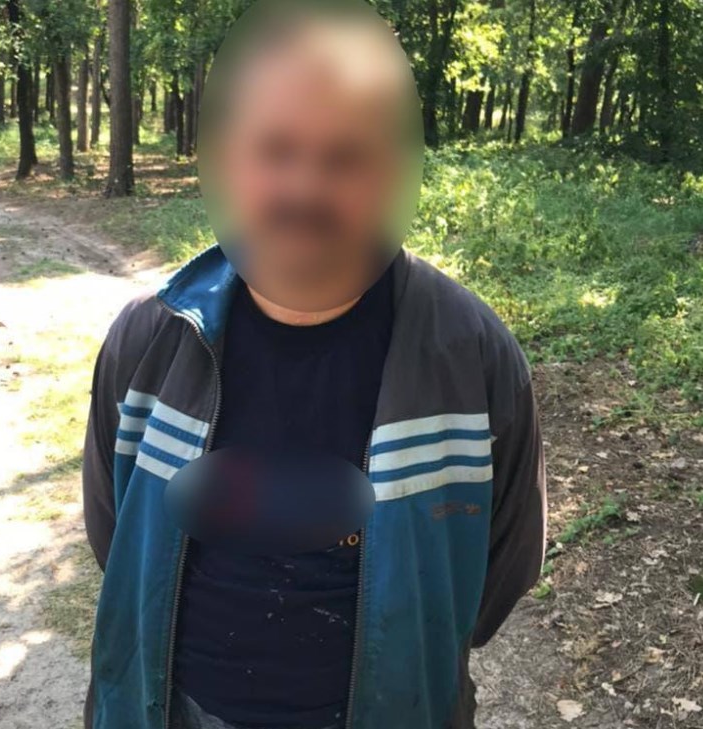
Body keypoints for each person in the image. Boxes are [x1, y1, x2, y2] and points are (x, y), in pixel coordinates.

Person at [82, 2, 547, 728]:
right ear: (230, 160)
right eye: (276, 150)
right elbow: (116, 538)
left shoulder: (473, 356)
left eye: (345, 157)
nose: (305, 188)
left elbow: (498, 572)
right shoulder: (149, 342)